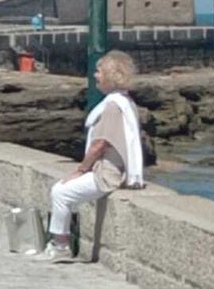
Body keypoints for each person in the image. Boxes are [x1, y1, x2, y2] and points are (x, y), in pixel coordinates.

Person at [42, 50, 145, 263]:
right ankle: (61, 241)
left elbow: (100, 144)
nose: (95, 76)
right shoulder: (125, 102)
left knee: (61, 192)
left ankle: (60, 244)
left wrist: (81, 170)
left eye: (99, 71)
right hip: (117, 170)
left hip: (108, 174)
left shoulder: (112, 107)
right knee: (63, 192)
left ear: (111, 75)